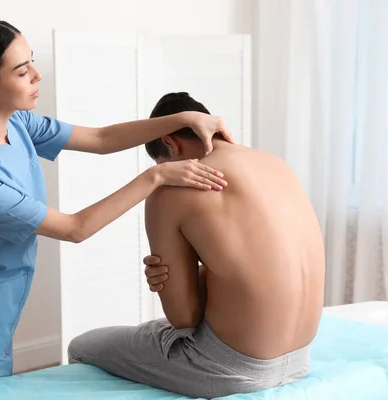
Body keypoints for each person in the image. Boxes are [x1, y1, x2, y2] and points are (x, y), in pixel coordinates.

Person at [0, 19, 232, 396]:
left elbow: (101, 138)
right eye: (22, 71)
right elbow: (74, 228)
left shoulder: (15, 122)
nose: (37, 75)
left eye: (31, 62)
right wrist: (157, 176)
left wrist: (183, 118)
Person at [67, 92, 326, 398]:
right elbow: (261, 270)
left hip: (232, 367)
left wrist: (171, 281)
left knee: (81, 346)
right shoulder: (275, 164)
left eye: (165, 163)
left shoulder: (172, 189)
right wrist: (205, 271)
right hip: (300, 358)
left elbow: (184, 319)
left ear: (170, 145)